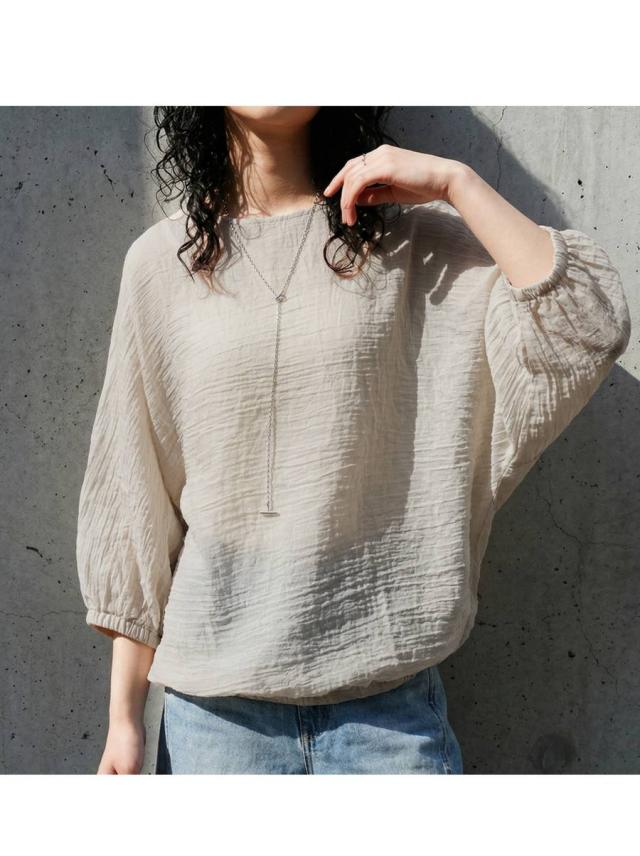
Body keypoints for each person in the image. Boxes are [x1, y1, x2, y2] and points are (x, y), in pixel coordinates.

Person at [76, 106, 631, 775]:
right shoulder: (161, 265)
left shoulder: (416, 245)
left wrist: (456, 182)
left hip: (386, 716)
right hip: (217, 724)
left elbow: (586, 322)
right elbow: (134, 491)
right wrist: (124, 719)